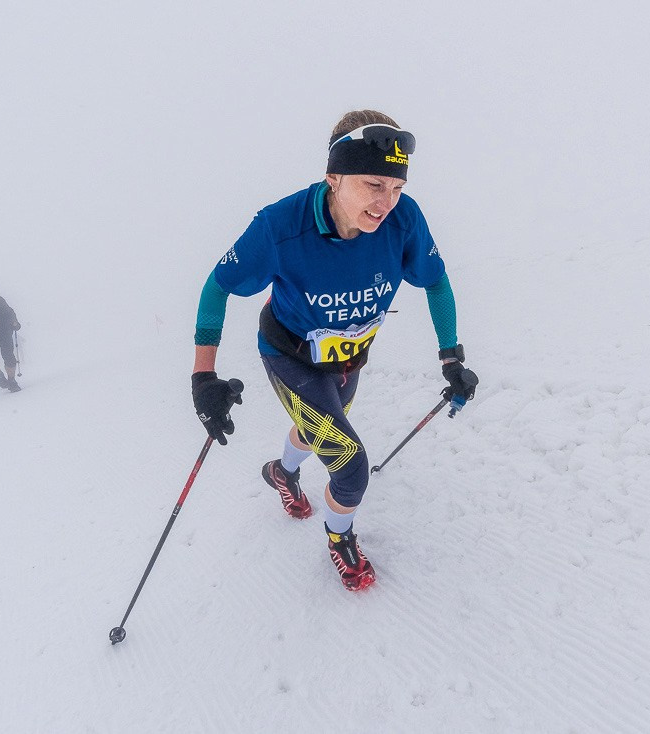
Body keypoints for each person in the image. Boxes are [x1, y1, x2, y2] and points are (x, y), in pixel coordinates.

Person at [190, 110, 479, 591]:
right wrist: (203, 378)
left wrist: (452, 358)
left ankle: (280, 472)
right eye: (372, 185)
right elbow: (217, 287)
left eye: (396, 188)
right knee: (349, 464)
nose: (386, 203)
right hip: (289, 355)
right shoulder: (280, 227)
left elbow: (436, 281)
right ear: (333, 177)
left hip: (348, 358)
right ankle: (340, 536)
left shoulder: (404, 221)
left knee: (322, 423)